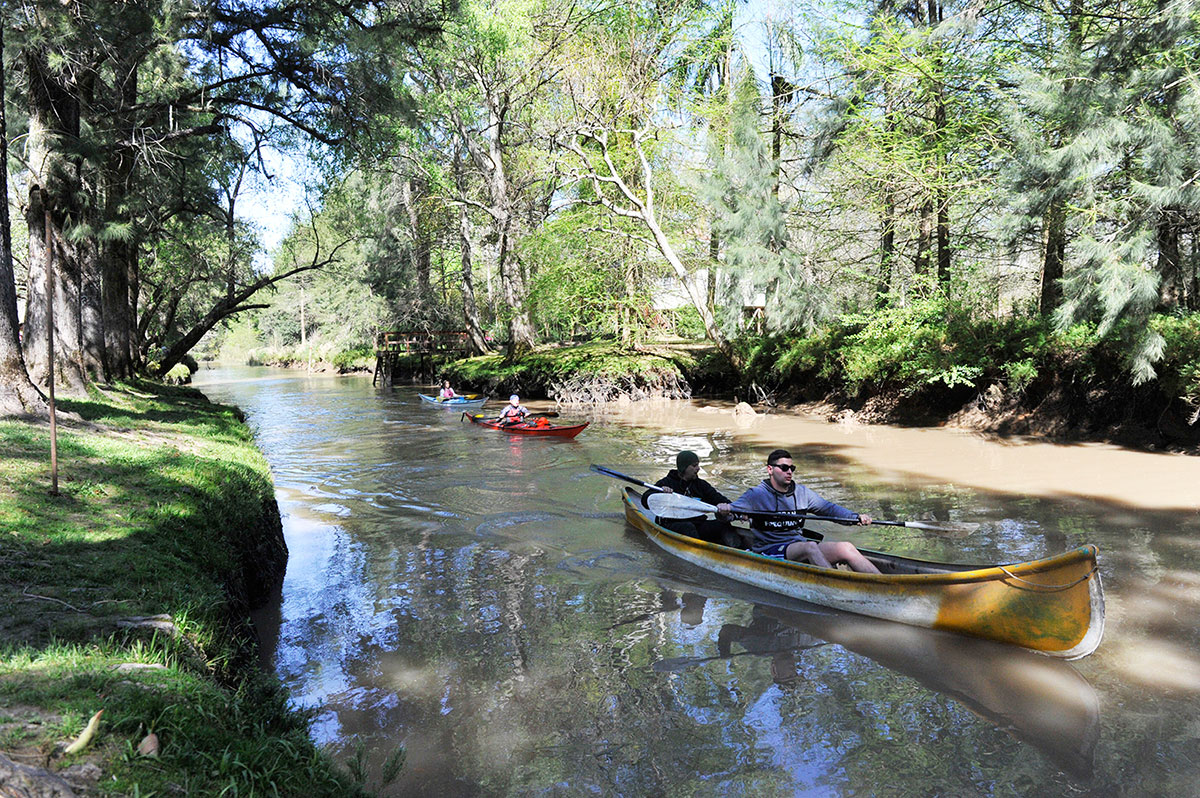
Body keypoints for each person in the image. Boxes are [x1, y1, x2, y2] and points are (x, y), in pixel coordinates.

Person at [734, 448, 881, 574]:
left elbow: (829, 509)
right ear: (770, 469)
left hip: (798, 546)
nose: (789, 472)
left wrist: (854, 517)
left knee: (846, 547)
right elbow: (729, 514)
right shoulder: (755, 495)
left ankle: (885, 584)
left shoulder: (802, 493)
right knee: (810, 547)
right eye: (784, 468)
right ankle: (836, 586)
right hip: (770, 550)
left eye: (792, 468)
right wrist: (725, 511)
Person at [656, 450, 745, 549]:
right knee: (688, 527)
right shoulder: (666, 483)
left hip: (697, 525)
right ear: (683, 468)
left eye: (698, 465)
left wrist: (737, 512)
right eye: (694, 466)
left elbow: (719, 499)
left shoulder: (701, 485)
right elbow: (646, 500)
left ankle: (741, 551)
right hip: (672, 524)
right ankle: (700, 553)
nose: (698, 469)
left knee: (722, 525)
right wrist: (661, 493)